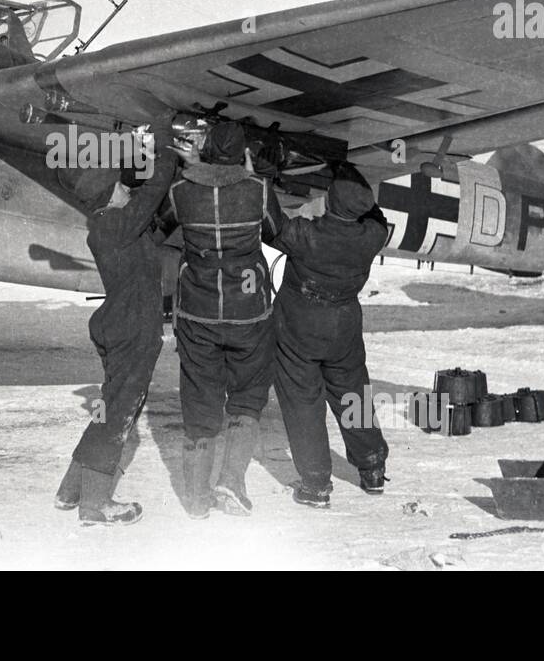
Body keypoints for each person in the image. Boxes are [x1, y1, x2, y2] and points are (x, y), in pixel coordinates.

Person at [54, 120, 177, 526]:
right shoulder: (114, 224)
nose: (129, 186)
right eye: (122, 185)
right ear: (108, 193)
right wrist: (169, 150)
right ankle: (95, 506)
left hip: (118, 325)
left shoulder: (119, 228)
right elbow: (153, 190)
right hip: (132, 330)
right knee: (119, 416)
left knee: (108, 410)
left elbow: (157, 227)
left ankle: (71, 491)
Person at [166, 121, 281, 518]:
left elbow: (163, 226)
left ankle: (196, 501)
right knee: (247, 398)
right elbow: (277, 233)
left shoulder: (180, 191)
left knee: (199, 403)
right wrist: (251, 177)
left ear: (206, 148)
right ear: (244, 154)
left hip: (198, 313)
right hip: (248, 312)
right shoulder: (258, 191)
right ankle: (231, 481)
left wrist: (191, 168)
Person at [266, 161, 390, 508]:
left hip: (299, 328)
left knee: (303, 403)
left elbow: (270, 224)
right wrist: (352, 174)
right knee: (353, 396)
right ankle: (373, 468)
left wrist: (259, 175)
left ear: (330, 201)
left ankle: (316, 484)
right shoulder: (372, 237)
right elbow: (376, 217)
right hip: (344, 328)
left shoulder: (306, 235)